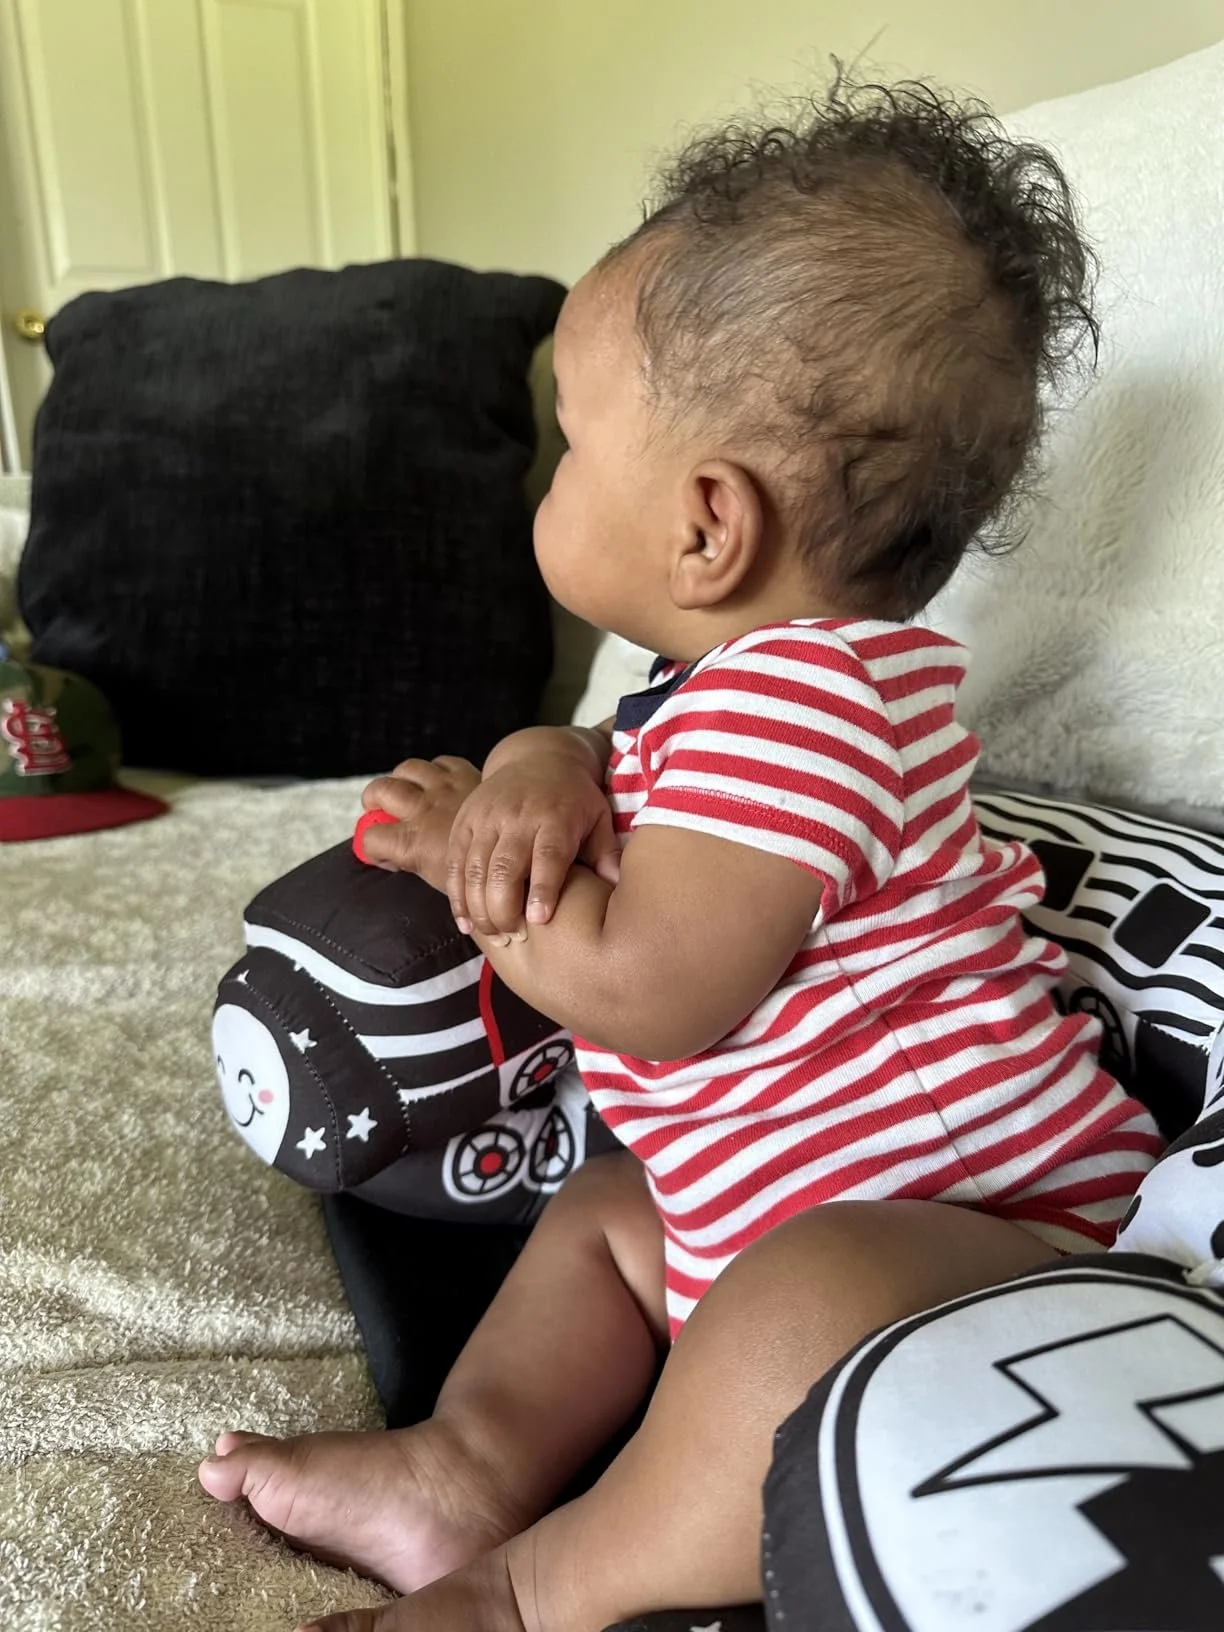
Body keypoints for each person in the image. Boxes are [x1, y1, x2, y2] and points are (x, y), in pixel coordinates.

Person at [198, 78, 1164, 1632]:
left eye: (574, 441)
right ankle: (466, 1464)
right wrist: (537, 761)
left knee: (791, 1310)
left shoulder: (812, 699)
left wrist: (468, 860)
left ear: (707, 527)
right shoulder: (740, 698)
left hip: (996, 1255)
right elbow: (633, 763)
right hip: (774, 1210)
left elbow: (655, 992)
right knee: (608, 1209)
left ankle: (540, 1588)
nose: (552, 471)